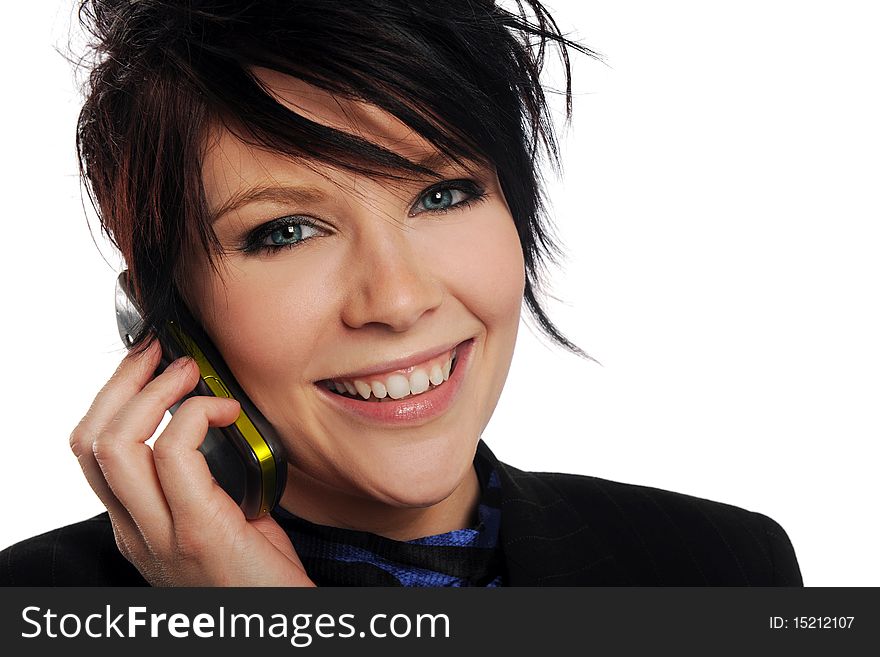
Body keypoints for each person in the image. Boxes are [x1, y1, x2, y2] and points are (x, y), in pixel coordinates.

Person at [0, 0, 801, 587]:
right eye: (286, 231)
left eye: (443, 194)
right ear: (164, 320)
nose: (397, 297)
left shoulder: (724, 567)